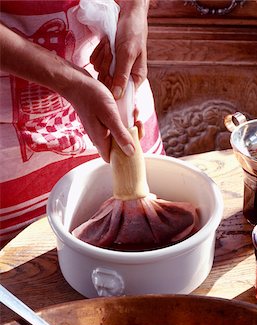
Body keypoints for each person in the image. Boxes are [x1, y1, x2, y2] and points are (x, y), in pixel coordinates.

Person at [0, 0, 163, 247]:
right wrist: (70, 83)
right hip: (13, 127)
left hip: (116, 86)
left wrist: (134, 11)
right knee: (24, 265)